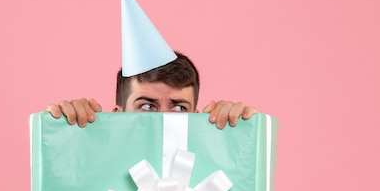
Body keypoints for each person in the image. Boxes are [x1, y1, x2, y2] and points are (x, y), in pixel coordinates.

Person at [47, 52, 257, 129]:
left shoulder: (212, 165)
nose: (163, 119)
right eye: (147, 106)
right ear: (118, 116)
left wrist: (235, 134)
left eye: (178, 108)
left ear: (196, 116)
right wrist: (69, 133)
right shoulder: (92, 159)